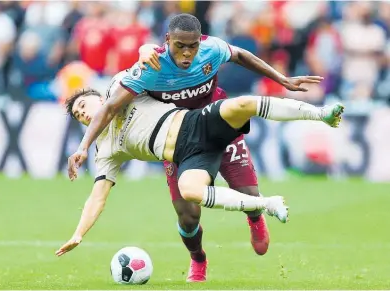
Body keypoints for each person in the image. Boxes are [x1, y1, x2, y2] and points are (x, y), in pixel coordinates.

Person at [68, 13, 327, 282]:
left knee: (247, 188)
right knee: (187, 214)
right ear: (168, 41)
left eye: (84, 106)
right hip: (180, 143)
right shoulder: (147, 73)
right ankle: (198, 259)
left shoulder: (208, 50)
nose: (187, 53)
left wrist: (281, 79)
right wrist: (145, 50)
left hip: (215, 121)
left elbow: (238, 55)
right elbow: (131, 78)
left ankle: (255, 212)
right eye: (79, 114)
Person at [56, 71, 344, 259]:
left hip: (196, 123)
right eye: (79, 115)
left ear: (97, 97)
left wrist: (147, 51)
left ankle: (321, 114)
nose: (83, 113)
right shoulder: (105, 149)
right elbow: (98, 197)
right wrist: (78, 234)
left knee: (240, 105)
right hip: (188, 155)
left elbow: (147, 58)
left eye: (84, 105)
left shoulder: (120, 88)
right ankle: (269, 204)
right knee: (190, 193)